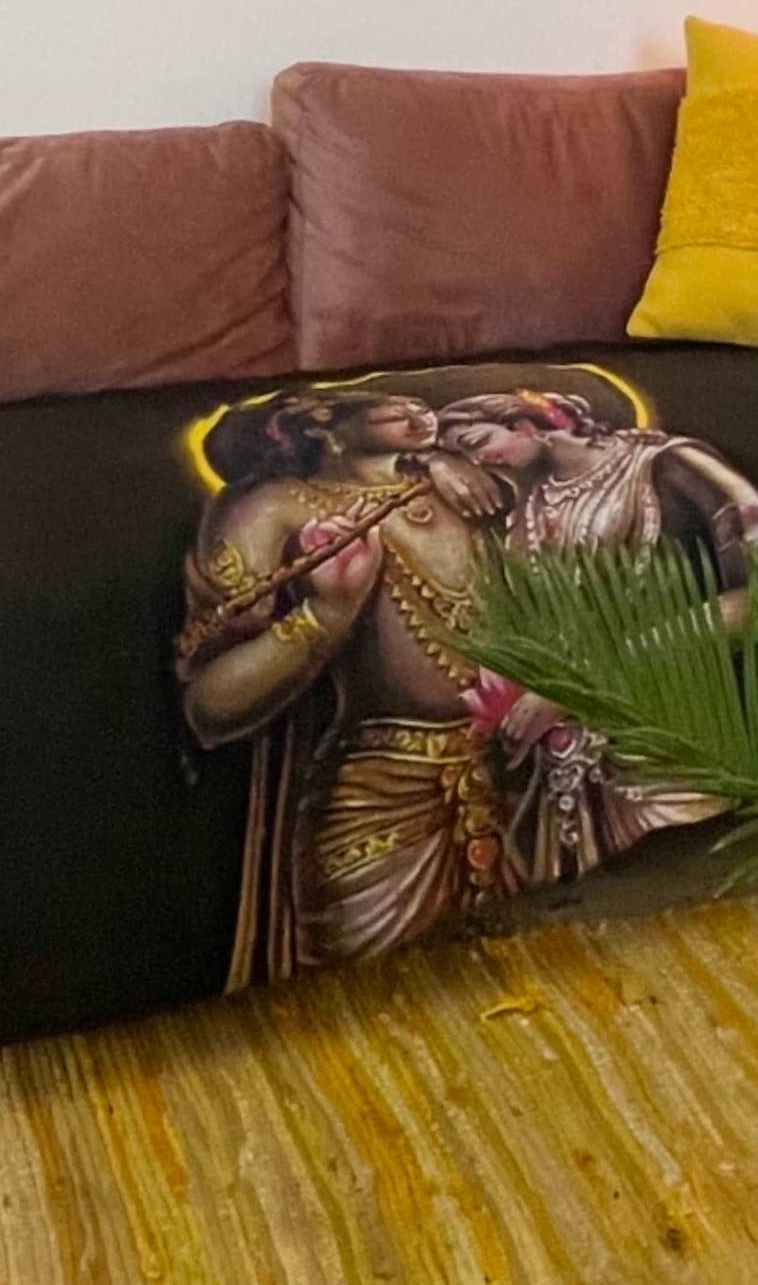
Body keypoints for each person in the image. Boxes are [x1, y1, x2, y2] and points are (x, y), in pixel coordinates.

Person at [175, 388, 522, 976]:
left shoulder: (462, 485)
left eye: (422, 405)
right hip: (374, 798)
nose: (421, 410)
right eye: (392, 406)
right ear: (322, 422)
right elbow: (209, 704)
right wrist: (325, 616)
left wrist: (438, 463)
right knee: (365, 1002)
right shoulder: (273, 507)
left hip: (502, 780)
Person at [434, 390, 758, 886]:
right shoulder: (527, 509)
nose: (479, 461)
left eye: (477, 441)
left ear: (528, 423)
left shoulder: (669, 464)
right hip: (558, 754)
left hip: (675, 718)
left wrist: (584, 683)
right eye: (465, 457)